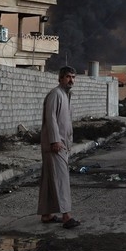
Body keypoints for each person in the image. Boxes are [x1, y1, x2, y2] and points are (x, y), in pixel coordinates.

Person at [37, 66, 80, 228]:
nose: (71, 80)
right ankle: (67, 216)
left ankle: (46, 215)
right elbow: (51, 119)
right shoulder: (56, 94)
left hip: (62, 144)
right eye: (68, 77)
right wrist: (55, 140)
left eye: (73, 77)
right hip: (55, 145)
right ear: (60, 78)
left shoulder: (66, 95)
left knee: (49, 180)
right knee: (62, 180)